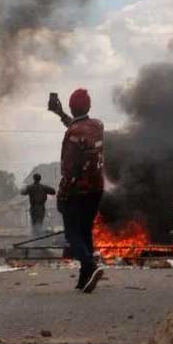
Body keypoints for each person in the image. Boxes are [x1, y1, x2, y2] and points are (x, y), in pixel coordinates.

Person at [50, 88, 105, 293]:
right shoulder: (98, 126)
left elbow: (70, 169)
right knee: (85, 231)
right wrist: (60, 114)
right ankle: (84, 278)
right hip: (96, 189)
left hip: (76, 190)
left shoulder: (73, 133)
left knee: (72, 234)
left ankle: (90, 265)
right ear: (89, 106)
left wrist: (62, 194)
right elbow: (80, 128)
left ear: (72, 107)